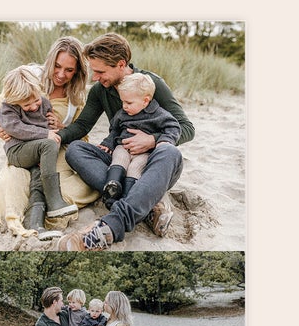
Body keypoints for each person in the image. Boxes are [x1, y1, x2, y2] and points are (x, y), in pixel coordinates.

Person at [56, 34, 195, 251]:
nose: (94, 77)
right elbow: (83, 126)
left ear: (121, 65)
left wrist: (152, 140)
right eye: (93, 70)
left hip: (151, 162)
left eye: (100, 71)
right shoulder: (100, 90)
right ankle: (146, 204)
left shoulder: (151, 85)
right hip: (120, 159)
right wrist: (57, 136)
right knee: (75, 149)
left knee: (170, 152)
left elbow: (187, 128)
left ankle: (111, 225)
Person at [0, 37, 100, 239]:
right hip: (24, 149)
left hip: (54, 154)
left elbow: (81, 134)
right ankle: (25, 219)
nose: (60, 74)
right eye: (57, 66)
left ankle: (45, 213)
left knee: (83, 185)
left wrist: (62, 127)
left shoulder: (77, 96)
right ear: (50, 61)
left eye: (69, 70)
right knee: (12, 183)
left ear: (78, 72)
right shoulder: (27, 77)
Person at [0, 66, 78, 221]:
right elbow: (15, 128)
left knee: (37, 179)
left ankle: (34, 220)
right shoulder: (8, 108)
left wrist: (55, 126)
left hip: (35, 151)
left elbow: (46, 124)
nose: (33, 107)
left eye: (36, 101)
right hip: (17, 151)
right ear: (14, 101)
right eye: (26, 106)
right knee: (49, 143)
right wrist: (46, 134)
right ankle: (54, 200)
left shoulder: (45, 103)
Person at [99, 72, 182, 206]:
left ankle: (128, 195)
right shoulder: (122, 114)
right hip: (123, 147)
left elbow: (173, 127)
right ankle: (112, 185)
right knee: (119, 157)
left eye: (128, 102)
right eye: (122, 101)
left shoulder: (159, 114)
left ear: (145, 101)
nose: (124, 106)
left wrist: (163, 141)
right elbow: (115, 130)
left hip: (144, 153)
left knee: (135, 167)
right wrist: (107, 143)